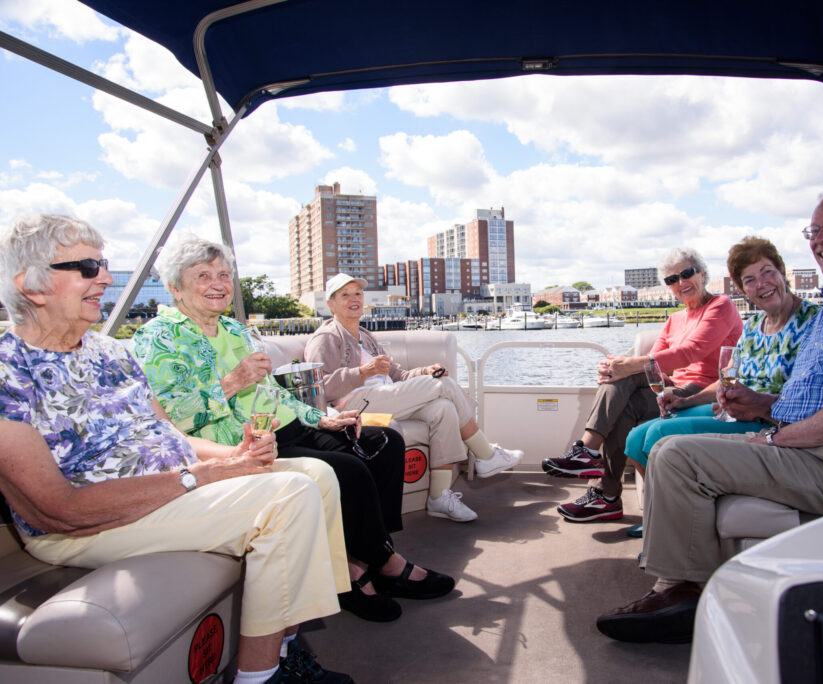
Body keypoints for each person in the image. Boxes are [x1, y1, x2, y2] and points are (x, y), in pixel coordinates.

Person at [0, 214, 351, 683]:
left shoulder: (111, 352)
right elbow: (57, 511)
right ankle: (261, 677)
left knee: (317, 475)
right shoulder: (10, 372)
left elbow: (171, 436)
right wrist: (202, 477)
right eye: (87, 267)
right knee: (288, 495)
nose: (104, 276)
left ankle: (284, 646)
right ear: (33, 285)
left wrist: (235, 457)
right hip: (88, 526)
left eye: (103, 264)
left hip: (171, 489)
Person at [596, 188, 823, 644]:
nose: (821, 240)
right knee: (666, 447)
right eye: (814, 231)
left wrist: (776, 438)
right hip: (810, 445)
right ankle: (681, 584)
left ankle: (680, 595)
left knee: (676, 456)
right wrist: (762, 407)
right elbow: (813, 394)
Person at [132, 236, 453, 625]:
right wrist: (232, 381)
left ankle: (368, 555)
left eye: (222, 274)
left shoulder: (235, 329)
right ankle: (373, 569)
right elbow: (170, 419)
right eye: (202, 275)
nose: (218, 283)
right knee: (346, 471)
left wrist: (321, 418)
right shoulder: (159, 338)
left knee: (383, 440)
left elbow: (273, 394)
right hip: (241, 445)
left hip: (288, 427)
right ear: (174, 287)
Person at [620, 238, 819, 536]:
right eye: (749, 280)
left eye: (767, 272)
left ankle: (668, 526)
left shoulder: (815, 322)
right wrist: (686, 400)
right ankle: (660, 514)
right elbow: (727, 377)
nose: (761, 284)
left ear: (782, 271)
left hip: (768, 421)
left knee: (658, 433)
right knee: (636, 438)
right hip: (732, 411)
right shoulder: (753, 327)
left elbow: (813, 394)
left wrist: (758, 403)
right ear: (743, 289)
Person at [542, 247, 743, 523]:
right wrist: (615, 366)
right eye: (672, 280)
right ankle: (604, 491)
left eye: (686, 274)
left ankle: (591, 460)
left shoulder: (721, 306)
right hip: (672, 388)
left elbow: (691, 352)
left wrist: (625, 367)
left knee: (628, 373)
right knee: (624, 400)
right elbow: (657, 363)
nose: (681, 283)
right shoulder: (674, 320)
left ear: (702, 274)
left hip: (705, 392)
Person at [304, 273, 523, 523]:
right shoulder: (325, 338)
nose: (354, 299)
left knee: (443, 409)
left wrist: (425, 371)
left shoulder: (366, 337)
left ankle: (439, 497)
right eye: (345, 295)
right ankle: (485, 455)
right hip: (354, 404)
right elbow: (318, 388)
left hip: (385, 397)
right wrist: (362, 372)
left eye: (358, 293)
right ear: (331, 304)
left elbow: (399, 374)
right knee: (443, 386)